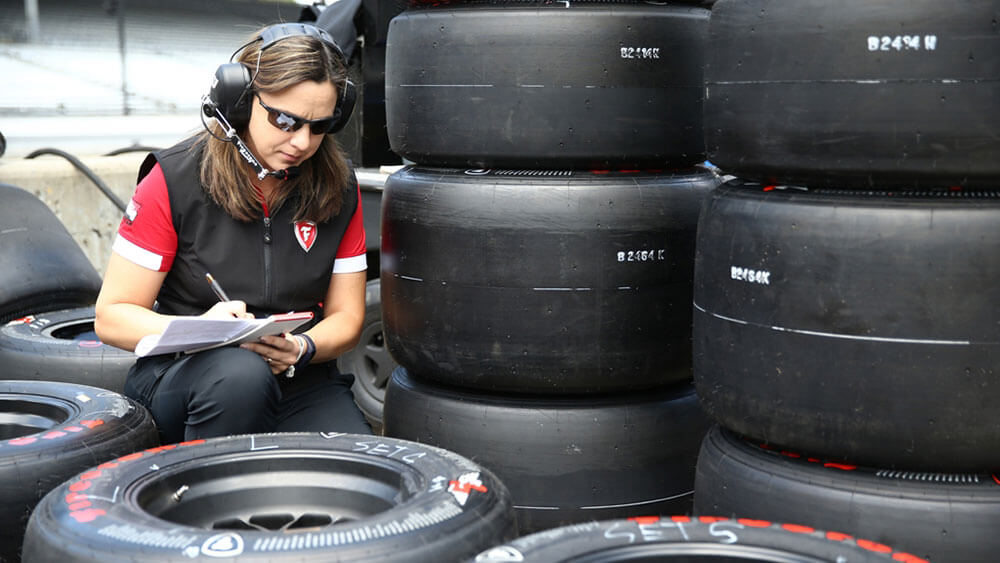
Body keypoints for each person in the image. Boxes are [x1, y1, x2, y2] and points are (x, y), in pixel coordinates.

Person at [95, 23, 373, 443]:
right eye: (285, 120)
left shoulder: (340, 186)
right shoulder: (172, 179)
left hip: (298, 377)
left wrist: (303, 348)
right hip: (186, 373)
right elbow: (112, 316)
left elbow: (348, 318)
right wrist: (200, 332)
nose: (301, 141)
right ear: (241, 102)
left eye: (319, 127)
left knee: (361, 470)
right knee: (240, 376)